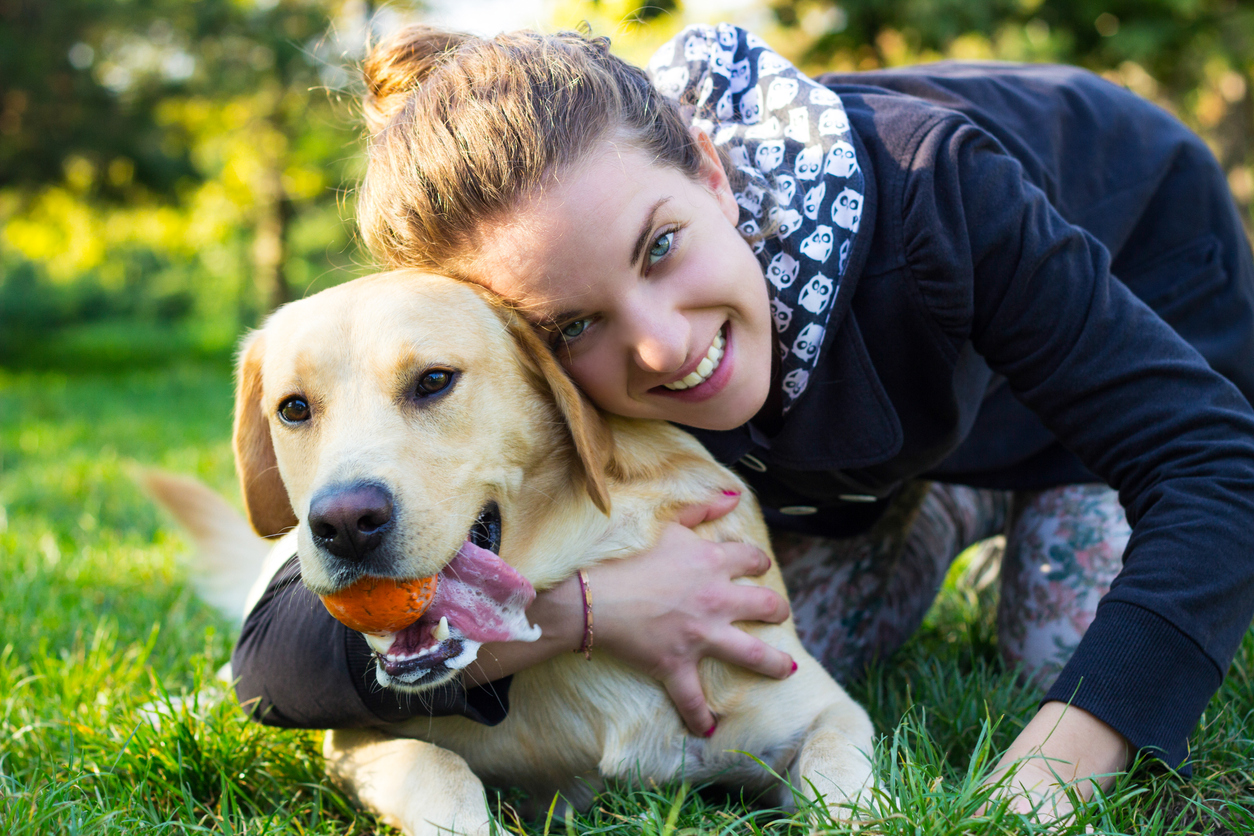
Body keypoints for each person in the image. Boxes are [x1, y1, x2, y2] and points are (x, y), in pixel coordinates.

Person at [231, 21, 1254, 819]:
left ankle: (965, 493)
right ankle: (923, 499)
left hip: (1125, 326)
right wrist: (596, 606)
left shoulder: (945, 187)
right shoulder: (525, 349)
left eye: (663, 245)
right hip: (881, 435)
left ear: (711, 172)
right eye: (577, 322)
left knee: (1062, 652)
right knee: (760, 648)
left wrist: (1065, 755)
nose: (663, 346)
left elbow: (1216, 462)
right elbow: (278, 653)